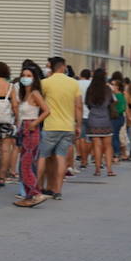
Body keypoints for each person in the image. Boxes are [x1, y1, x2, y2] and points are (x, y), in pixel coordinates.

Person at [36, 56, 81, 201]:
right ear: (63, 67)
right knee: (60, 158)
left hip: (50, 125)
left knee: (43, 156)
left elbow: (38, 103)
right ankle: (57, 190)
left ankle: (37, 187)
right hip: (67, 126)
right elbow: (78, 106)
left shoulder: (45, 83)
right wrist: (78, 125)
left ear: (52, 67)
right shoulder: (74, 83)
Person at [12, 62, 51, 207]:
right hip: (24, 129)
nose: (25, 78)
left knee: (25, 166)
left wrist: (35, 123)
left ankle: (36, 193)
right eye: (23, 75)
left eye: (29, 76)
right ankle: (29, 196)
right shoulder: (24, 94)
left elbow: (47, 110)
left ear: (34, 78)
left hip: (31, 129)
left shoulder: (35, 93)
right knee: (25, 164)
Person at [84, 68, 115, 177]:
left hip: (93, 119)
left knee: (96, 146)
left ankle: (97, 169)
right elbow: (111, 102)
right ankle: (109, 170)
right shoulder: (107, 89)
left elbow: (87, 103)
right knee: (108, 146)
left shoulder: (90, 89)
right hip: (105, 119)